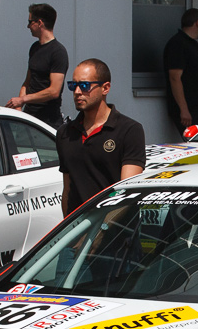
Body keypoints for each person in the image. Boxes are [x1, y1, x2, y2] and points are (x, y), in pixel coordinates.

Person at [55, 58, 145, 216]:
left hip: (116, 233)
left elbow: (127, 194)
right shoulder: (65, 133)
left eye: (84, 86)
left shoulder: (129, 130)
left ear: (105, 88)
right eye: (72, 85)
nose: (77, 92)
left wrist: (100, 234)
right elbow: (67, 191)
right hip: (80, 232)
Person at [6, 3, 68, 130]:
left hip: (48, 120)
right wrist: (19, 107)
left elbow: (54, 91)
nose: (28, 26)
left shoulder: (58, 52)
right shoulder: (34, 48)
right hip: (29, 117)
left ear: (40, 23)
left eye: (30, 22)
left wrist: (23, 99)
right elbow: (27, 82)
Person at [163, 8, 198, 135]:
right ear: (197, 23)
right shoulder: (178, 44)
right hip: (190, 110)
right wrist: (184, 109)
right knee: (197, 144)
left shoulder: (194, 45)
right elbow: (175, 77)